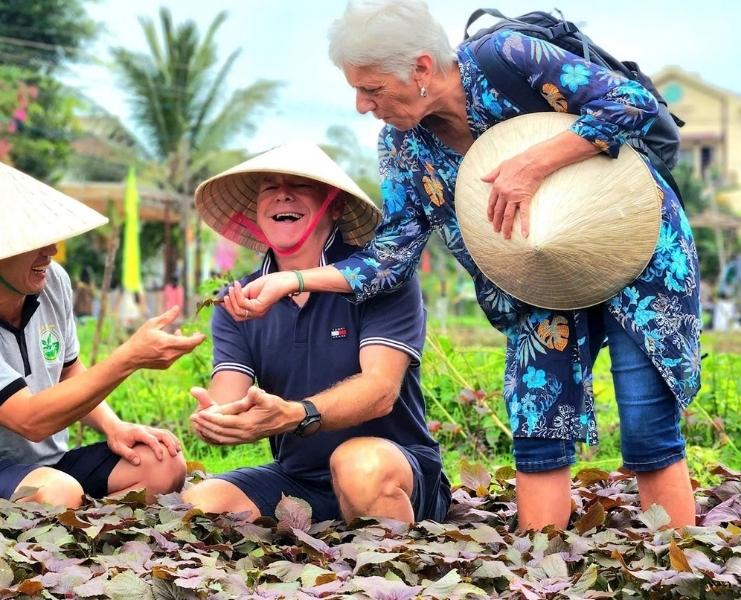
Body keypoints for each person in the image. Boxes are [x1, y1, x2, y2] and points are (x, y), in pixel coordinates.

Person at [224, 1, 700, 530]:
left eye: (373, 89)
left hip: (631, 243)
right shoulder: (404, 145)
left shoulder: (507, 57)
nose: (362, 105)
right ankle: (541, 560)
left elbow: (628, 102)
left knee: (645, 414)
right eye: (357, 90)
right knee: (538, 415)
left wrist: (531, 163)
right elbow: (393, 253)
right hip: (533, 275)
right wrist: (290, 280)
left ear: (422, 68)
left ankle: (678, 565)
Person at [0, 158, 204, 508]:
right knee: (57, 492)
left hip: (50, 465)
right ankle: (75, 514)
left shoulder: (52, 283)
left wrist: (114, 426)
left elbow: (68, 371)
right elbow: (29, 419)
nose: (50, 251)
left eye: (50, 239)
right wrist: (128, 358)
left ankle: (82, 522)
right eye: (34, 242)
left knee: (163, 463)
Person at [182, 142, 451, 524]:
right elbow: (228, 396)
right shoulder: (238, 301)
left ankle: (390, 569)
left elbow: (381, 392)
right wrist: (219, 420)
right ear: (257, 212)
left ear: (336, 206)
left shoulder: (382, 280)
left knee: (357, 465)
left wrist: (297, 414)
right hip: (299, 478)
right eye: (269, 187)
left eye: (300, 185)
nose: (283, 195)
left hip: (392, 467)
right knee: (201, 503)